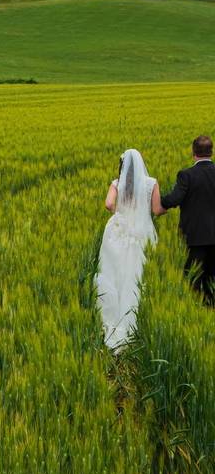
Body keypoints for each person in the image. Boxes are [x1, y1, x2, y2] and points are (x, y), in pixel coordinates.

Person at [95, 149, 164, 351]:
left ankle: (113, 318)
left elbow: (109, 204)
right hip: (141, 235)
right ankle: (138, 321)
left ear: (123, 167)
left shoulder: (117, 183)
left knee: (115, 275)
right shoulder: (151, 183)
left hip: (119, 233)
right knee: (137, 277)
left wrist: (119, 213)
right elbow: (156, 210)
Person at [161, 135, 215, 305]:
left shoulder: (186, 175)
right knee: (212, 281)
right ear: (211, 152)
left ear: (194, 152)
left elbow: (173, 200)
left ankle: (197, 313)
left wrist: (154, 198)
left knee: (194, 281)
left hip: (194, 237)